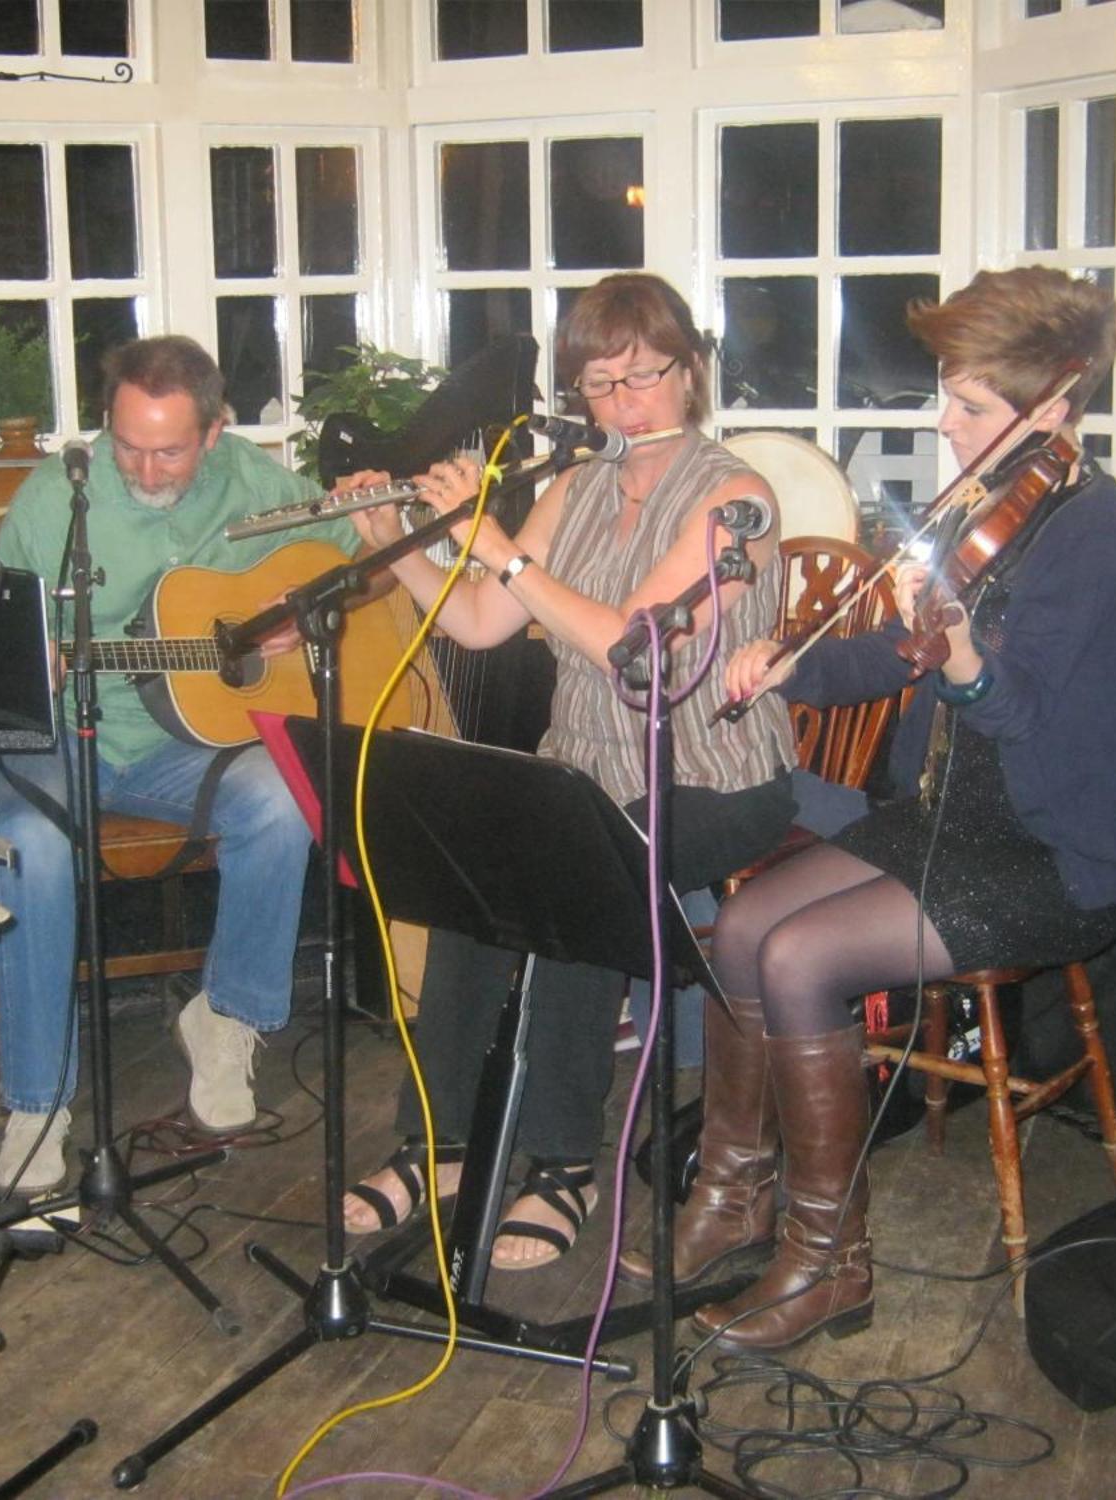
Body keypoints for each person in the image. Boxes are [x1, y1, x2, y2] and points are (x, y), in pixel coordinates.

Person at [646, 267, 1116, 1351]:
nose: (945, 420)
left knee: (797, 958)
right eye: (947, 392)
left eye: (969, 403)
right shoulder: (983, 506)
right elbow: (889, 653)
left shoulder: (1093, 529)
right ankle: (732, 1196)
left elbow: (1013, 709)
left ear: (1055, 407)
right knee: (739, 927)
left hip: (1050, 854)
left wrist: (967, 659)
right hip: (940, 822)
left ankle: (830, 1262)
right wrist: (786, 667)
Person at [338, 272, 798, 1270]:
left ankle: (559, 1162)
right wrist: (402, 547)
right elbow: (478, 620)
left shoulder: (735, 499)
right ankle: (443, 1143)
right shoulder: (575, 485)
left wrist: (496, 548)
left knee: (578, 869)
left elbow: (630, 650)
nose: (621, 404)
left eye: (643, 377)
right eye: (596, 384)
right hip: (582, 768)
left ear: (690, 373)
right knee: (470, 878)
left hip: (713, 776)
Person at [0, 334, 371, 1195]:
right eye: (128, 446)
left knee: (281, 794)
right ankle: (37, 1105)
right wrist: (24, 658)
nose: (146, 471)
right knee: (27, 845)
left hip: (180, 743)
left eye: (169, 450)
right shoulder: (58, 498)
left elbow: (356, 560)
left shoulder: (259, 483)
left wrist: (292, 619)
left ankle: (226, 1018)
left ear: (215, 430)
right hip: (58, 734)